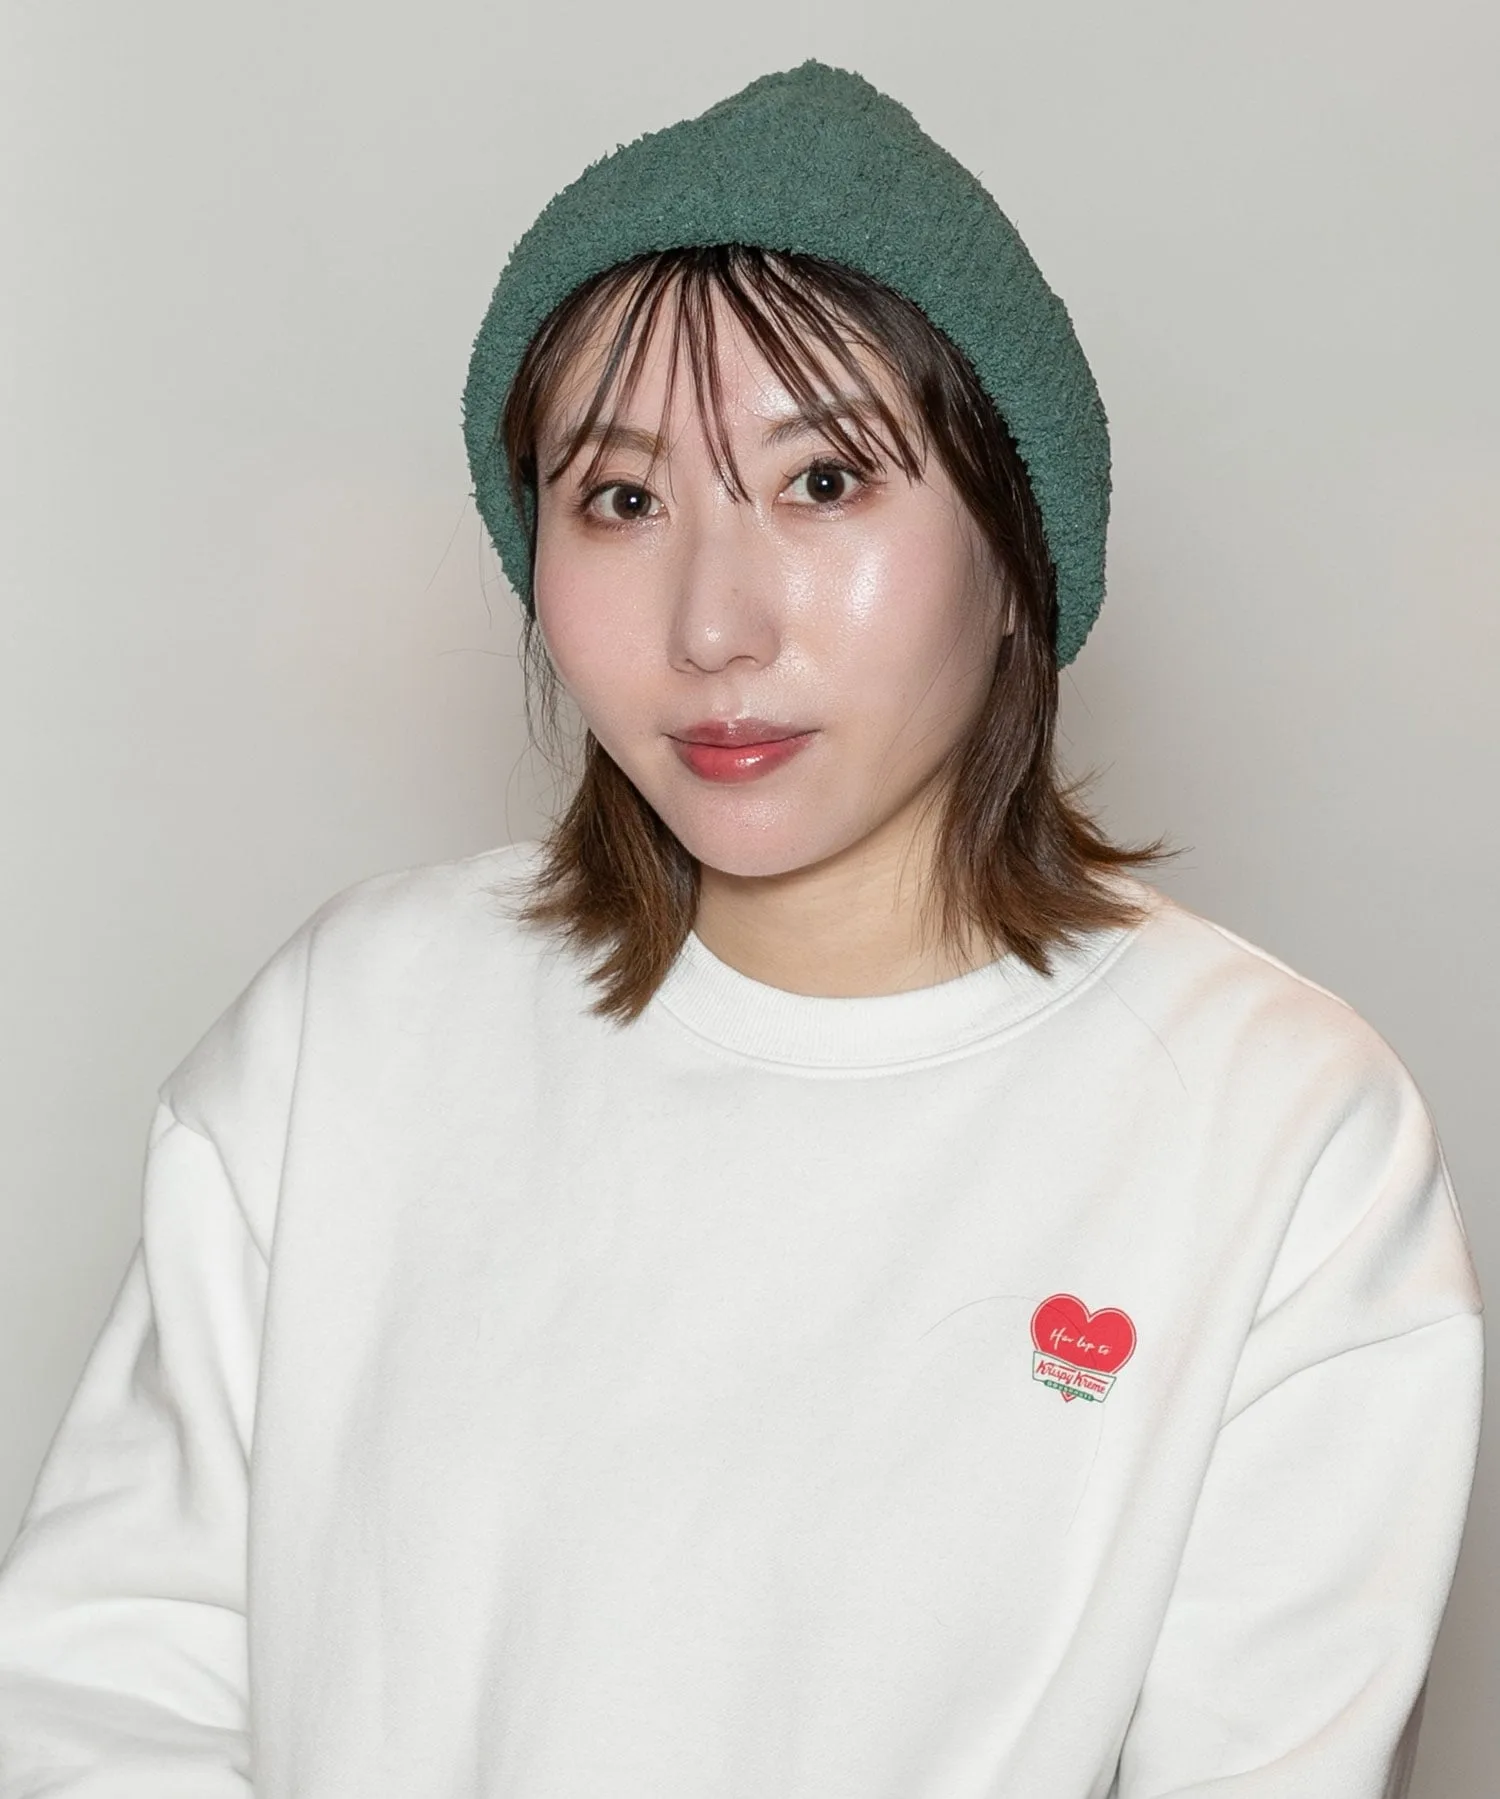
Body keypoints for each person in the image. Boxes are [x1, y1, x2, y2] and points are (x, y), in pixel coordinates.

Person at [0, 60, 1483, 1799]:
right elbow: (107, 1696)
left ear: (1017, 543)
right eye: (623, 500)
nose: (714, 624)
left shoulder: (1283, 1130)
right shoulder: (353, 1030)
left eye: (826, 481)